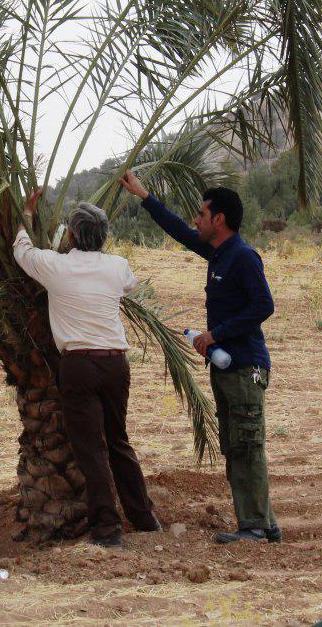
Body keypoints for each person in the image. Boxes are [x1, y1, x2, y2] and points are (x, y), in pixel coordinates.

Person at [118, 170, 281, 545]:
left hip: (244, 368)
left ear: (218, 219)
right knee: (238, 443)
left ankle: (255, 526)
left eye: (202, 214)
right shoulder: (218, 252)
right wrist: (145, 196)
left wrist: (216, 335)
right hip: (228, 367)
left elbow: (264, 305)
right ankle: (263, 523)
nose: (196, 219)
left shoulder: (241, 257)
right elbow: (178, 229)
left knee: (246, 444)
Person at [12, 189, 161, 547]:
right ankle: (144, 518)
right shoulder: (117, 267)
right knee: (118, 441)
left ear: (72, 235)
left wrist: (27, 215)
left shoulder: (56, 266)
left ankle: (107, 531)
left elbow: (22, 250)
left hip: (79, 367)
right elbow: (128, 284)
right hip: (115, 365)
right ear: (104, 237)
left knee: (91, 449)